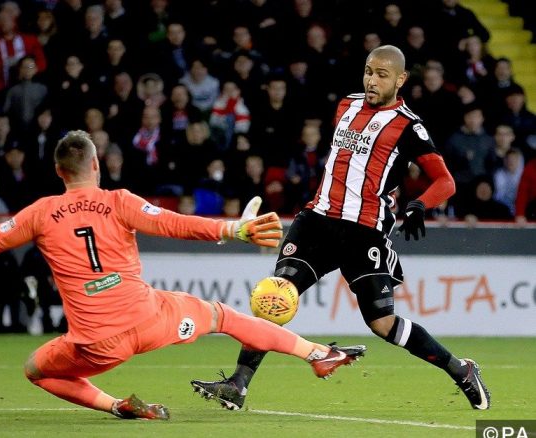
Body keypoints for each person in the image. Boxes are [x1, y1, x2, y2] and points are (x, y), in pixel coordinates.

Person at [0, 130, 365, 420]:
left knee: (37, 368)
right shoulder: (118, 201)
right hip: (150, 321)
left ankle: (119, 406)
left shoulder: (38, 213)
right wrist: (234, 229)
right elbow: (172, 224)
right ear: (96, 165)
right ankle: (318, 353)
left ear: (59, 173)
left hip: (97, 345)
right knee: (223, 315)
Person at [190, 45, 491, 411]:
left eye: (381, 74)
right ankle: (238, 383)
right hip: (316, 221)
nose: (371, 80)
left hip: (363, 232)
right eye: (368, 71)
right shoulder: (346, 105)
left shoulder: (409, 127)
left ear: (400, 79)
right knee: (274, 294)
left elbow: (445, 182)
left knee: (383, 324)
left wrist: (417, 205)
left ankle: (460, 370)